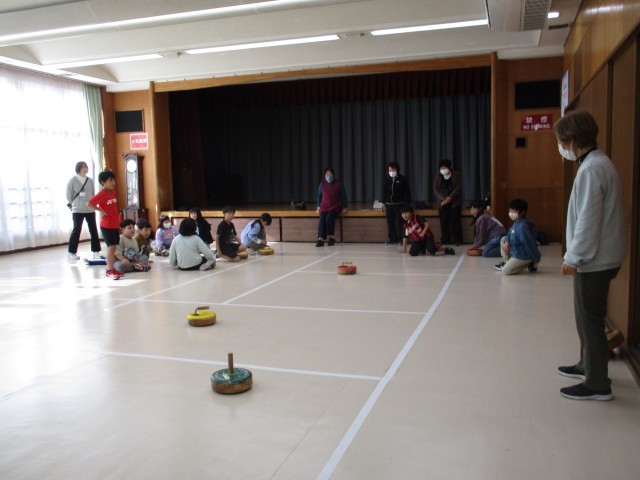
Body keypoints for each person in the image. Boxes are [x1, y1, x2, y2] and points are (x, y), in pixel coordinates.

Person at [554, 110, 626, 401]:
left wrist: (573, 257)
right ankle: (587, 364)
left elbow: (588, 219)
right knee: (585, 317)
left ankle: (597, 384)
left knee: (590, 321)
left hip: (594, 259)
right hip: (598, 257)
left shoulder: (593, 169)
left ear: (572, 140)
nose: (561, 147)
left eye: (562, 141)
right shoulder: (595, 164)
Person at [86, 171, 122, 280]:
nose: (113, 183)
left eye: (113, 180)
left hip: (114, 225)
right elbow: (89, 204)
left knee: (114, 247)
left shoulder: (113, 192)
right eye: (110, 180)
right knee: (111, 247)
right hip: (107, 226)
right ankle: (109, 270)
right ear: (103, 182)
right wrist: (100, 210)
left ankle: (112, 268)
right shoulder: (101, 194)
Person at [494, 198, 541, 275]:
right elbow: (509, 233)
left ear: (522, 212)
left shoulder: (522, 227)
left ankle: (530, 262)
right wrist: (507, 241)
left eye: (514, 212)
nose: (511, 214)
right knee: (503, 240)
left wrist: (536, 258)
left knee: (506, 271)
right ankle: (507, 262)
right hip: (515, 250)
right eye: (510, 211)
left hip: (523, 255)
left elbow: (530, 243)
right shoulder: (516, 222)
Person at [66, 161, 101, 260]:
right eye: (83, 167)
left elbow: (93, 194)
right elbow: (68, 195)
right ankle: (71, 252)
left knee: (93, 229)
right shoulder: (72, 180)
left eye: (86, 167)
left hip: (89, 209)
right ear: (78, 169)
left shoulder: (90, 180)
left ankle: (96, 251)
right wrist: (75, 203)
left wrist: (93, 204)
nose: (85, 169)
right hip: (77, 209)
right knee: (77, 229)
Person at [316, 167, 348, 247]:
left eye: (330, 174)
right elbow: (319, 196)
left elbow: (344, 195)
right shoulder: (322, 184)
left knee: (329, 218)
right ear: (325, 176)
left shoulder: (339, 184)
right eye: (327, 175)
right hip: (324, 206)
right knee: (322, 219)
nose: (328, 176)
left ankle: (331, 237)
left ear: (333, 175)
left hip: (335, 206)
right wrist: (318, 207)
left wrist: (345, 207)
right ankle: (320, 239)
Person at [433, 159, 462, 246]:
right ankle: (445, 239)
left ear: (449, 167)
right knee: (444, 222)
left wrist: (450, 198)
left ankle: (457, 240)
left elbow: (458, 187)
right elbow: (436, 189)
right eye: (441, 168)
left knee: (455, 222)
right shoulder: (438, 176)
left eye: (444, 168)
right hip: (442, 203)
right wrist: (444, 198)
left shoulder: (456, 175)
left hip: (454, 203)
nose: (443, 170)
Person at [382, 162, 411, 245]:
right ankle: (392, 240)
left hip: (399, 204)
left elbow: (407, 192)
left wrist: (408, 204)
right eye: (390, 170)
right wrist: (383, 203)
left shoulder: (402, 179)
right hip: (389, 205)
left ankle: (401, 240)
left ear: (397, 170)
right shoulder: (386, 179)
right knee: (390, 223)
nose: (391, 172)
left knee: (400, 223)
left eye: (393, 170)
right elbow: (384, 192)